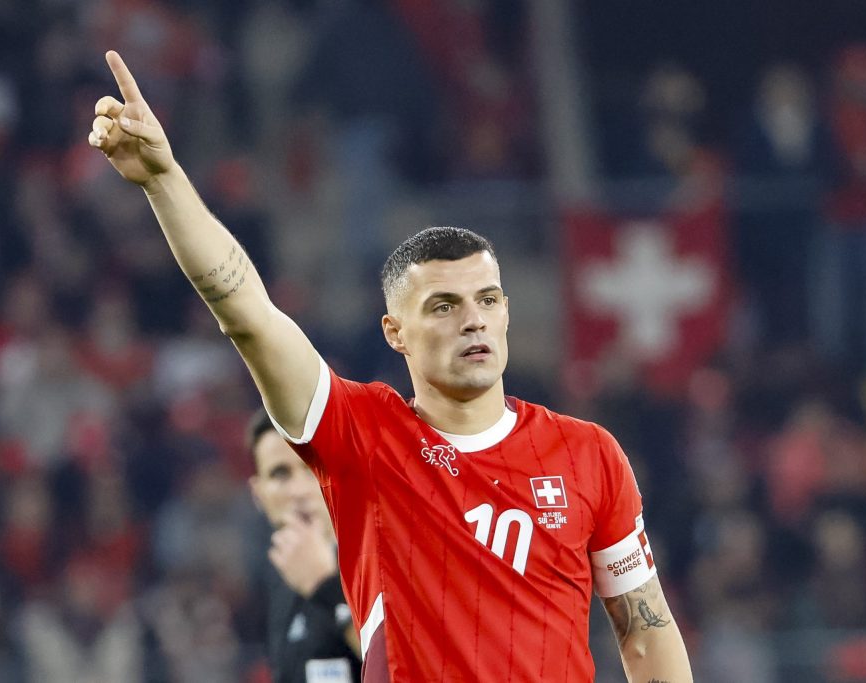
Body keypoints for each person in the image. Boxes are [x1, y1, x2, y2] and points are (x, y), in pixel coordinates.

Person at [88, 50, 692, 682]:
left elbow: (645, 632)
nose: (473, 320)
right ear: (395, 332)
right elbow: (249, 316)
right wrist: (164, 180)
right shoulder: (364, 436)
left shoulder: (589, 454)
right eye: (444, 306)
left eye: (488, 300)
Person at [249, 409, 362, 682]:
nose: (298, 491)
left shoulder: (384, 559)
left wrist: (326, 586)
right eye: (280, 474)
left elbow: (414, 667)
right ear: (258, 493)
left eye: (313, 468)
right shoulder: (281, 573)